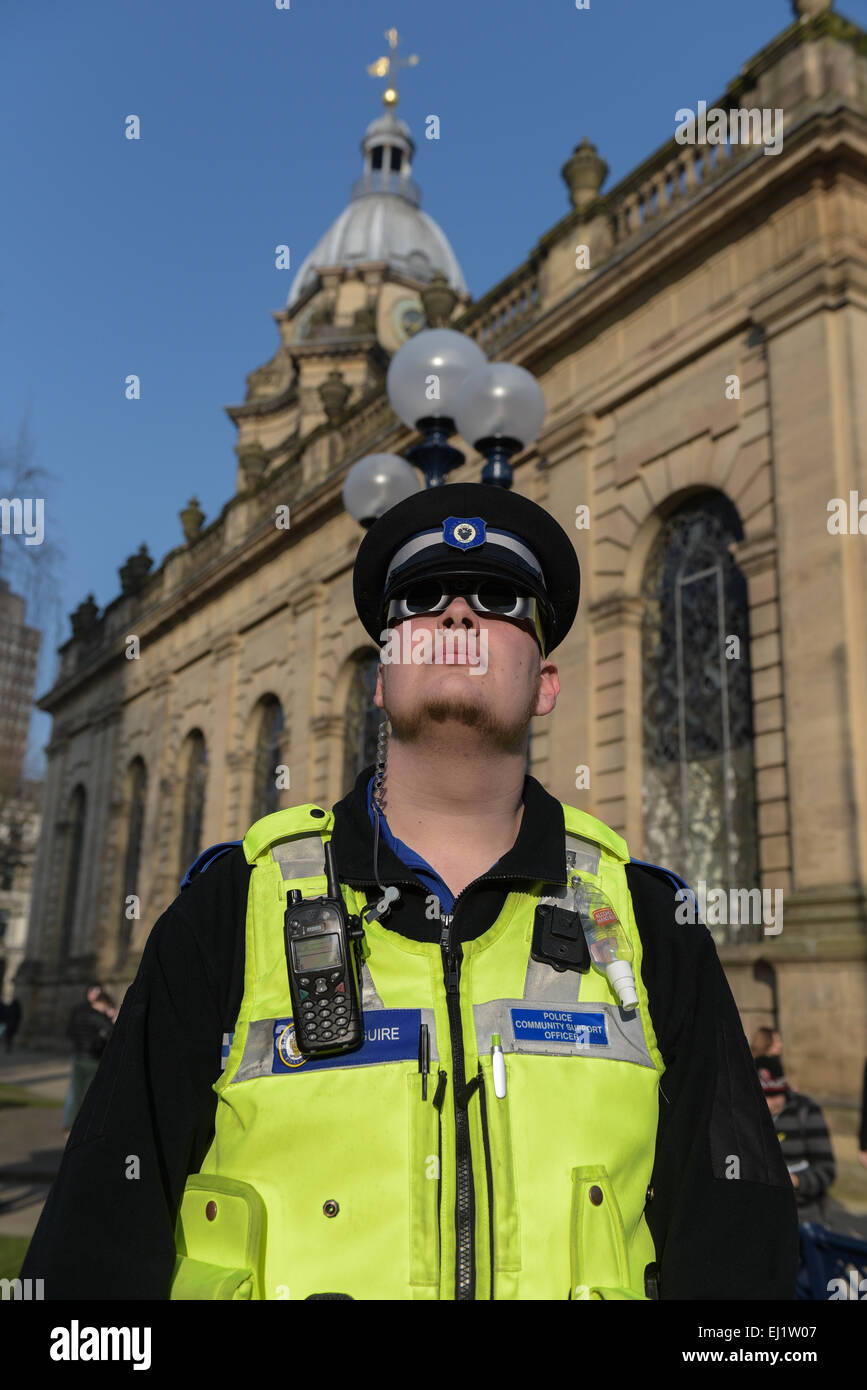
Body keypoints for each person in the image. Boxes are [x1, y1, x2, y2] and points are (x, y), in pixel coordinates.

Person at [21, 482, 798, 1300]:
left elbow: (738, 1253)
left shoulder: (648, 924)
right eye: (420, 599)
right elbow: (94, 1247)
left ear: (545, 683)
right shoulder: (231, 910)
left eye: (499, 599)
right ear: (380, 678)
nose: (456, 617)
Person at [756, 1055, 836, 1224]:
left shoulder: (807, 1112)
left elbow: (827, 1170)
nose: (770, 1104)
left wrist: (797, 1181)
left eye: (776, 1095)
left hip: (803, 1215)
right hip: (761, 1217)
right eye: (764, 1095)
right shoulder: (746, 1115)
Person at [60, 983, 113, 1137]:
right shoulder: (95, 1016)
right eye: (93, 991)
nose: (95, 994)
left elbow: (71, 1030)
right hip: (89, 1058)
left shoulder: (82, 1012)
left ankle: (70, 1126)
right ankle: (76, 1126)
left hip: (81, 1056)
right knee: (81, 1094)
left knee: (76, 1093)